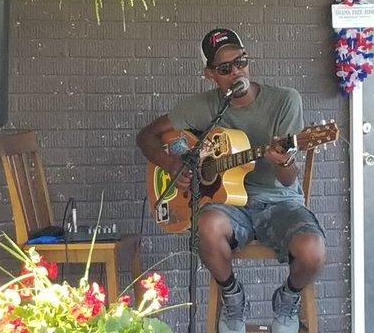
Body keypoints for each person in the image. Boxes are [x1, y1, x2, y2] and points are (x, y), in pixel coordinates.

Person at [136, 28, 326, 333]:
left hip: (279, 202)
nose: (237, 71)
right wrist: (173, 164)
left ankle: (288, 300)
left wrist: (286, 159)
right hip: (226, 206)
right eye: (226, 68)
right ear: (210, 74)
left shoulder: (284, 101)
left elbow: (288, 180)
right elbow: (146, 136)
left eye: (241, 61)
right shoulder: (203, 107)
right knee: (206, 225)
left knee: (313, 249)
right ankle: (233, 298)